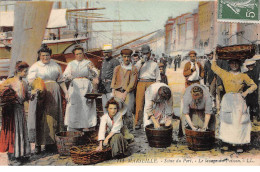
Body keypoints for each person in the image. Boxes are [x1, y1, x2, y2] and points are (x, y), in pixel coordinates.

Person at [211, 51, 257, 153]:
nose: (234, 65)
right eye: (232, 63)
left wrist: (245, 93)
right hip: (227, 100)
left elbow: (254, 85)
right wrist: (214, 55)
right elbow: (214, 68)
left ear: (239, 64)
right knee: (227, 121)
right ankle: (226, 143)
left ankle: (238, 144)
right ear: (229, 64)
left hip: (239, 101)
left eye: (236, 63)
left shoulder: (243, 76)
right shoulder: (225, 74)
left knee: (239, 121)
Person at [27, 44, 68, 154]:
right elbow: (30, 81)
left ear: (50, 55)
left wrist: (66, 92)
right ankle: (38, 144)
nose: (45, 57)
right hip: (41, 93)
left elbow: (61, 80)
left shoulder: (55, 65)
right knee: (40, 118)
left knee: (54, 118)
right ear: (40, 56)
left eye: (47, 55)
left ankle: (52, 143)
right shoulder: (35, 66)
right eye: (43, 55)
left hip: (54, 93)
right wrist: (37, 89)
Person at [0, 61, 31, 161]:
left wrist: (33, 95)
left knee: (21, 131)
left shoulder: (24, 83)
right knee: (13, 131)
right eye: (25, 71)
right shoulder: (9, 81)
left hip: (20, 110)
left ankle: (21, 153)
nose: (26, 73)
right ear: (19, 70)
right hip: (11, 111)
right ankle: (13, 153)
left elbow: (26, 97)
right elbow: (2, 93)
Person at [63, 46, 99, 131]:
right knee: (75, 106)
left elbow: (95, 74)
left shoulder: (88, 62)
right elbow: (65, 75)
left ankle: (87, 126)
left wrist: (91, 69)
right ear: (74, 55)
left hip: (86, 86)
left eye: (80, 53)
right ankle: (75, 127)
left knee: (86, 106)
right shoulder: (71, 64)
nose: (79, 56)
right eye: (77, 54)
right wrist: (68, 76)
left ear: (83, 53)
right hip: (75, 86)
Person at [111, 48, 138, 140]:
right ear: (122, 57)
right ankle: (118, 131)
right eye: (124, 57)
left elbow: (132, 83)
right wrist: (114, 91)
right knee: (118, 112)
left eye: (128, 57)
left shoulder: (133, 69)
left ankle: (129, 132)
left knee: (129, 112)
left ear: (130, 57)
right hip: (118, 92)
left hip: (128, 93)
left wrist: (125, 92)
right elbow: (114, 80)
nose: (126, 59)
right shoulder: (117, 68)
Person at [134, 45, 161, 129]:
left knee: (151, 103)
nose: (146, 55)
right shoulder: (139, 63)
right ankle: (138, 122)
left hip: (151, 83)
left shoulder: (154, 64)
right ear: (142, 54)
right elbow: (134, 73)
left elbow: (158, 78)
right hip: (141, 82)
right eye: (144, 53)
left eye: (147, 53)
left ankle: (152, 121)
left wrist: (157, 87)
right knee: (139, 103)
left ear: (150, 53)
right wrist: (141, 63)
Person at [98, 44, 120, 113]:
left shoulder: (115, 61)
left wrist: (115, 88)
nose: (106, 54)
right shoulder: (103, 61)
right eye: (104, 52)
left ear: (111, 52)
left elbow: (118, 75)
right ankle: (106, 122)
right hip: (103, 87)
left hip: (111, 87)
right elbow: (101, 73)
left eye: (107, 52)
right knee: (105, 106)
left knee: (112, 107)